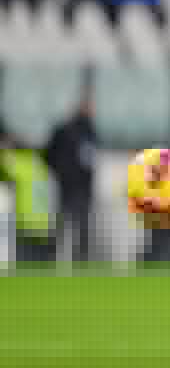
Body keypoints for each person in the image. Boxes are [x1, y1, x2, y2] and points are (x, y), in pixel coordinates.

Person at [44, 93, 99, 263]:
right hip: (69, 185)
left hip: (77, 185)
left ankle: (77, 259)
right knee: (66, 224)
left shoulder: (89, 131)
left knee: (77, 225)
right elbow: (49, 155)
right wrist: (60, 171)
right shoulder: (67, 130)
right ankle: (58, 258)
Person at [0, 125, 58, 264]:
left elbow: (5, 163)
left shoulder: (20, 165)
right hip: (45, 224)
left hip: (27, 224)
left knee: (25, 266)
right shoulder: (42, 167)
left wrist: (5, 146)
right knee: (43, 266)